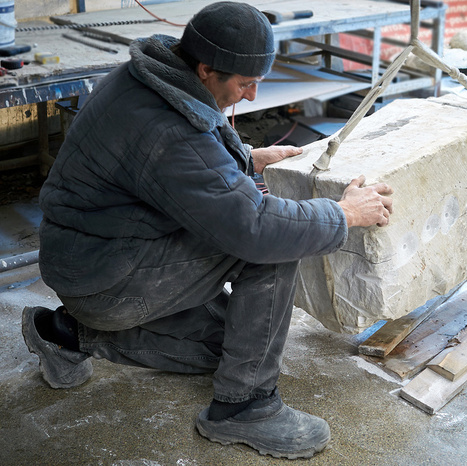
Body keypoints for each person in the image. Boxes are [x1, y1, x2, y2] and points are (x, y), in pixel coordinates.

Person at [21, 2, 393, 460]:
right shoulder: (166, 129)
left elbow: (172, 162)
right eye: (244, 84)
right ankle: (244, 407)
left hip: (95, 253)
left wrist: (248, 158)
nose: (253, 97)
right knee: (279, 241)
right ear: (205, 69)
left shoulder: (148, 76)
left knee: (235, 347)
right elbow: (255, 229)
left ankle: (62, 333)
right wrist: (345, 214)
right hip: (107, 277)